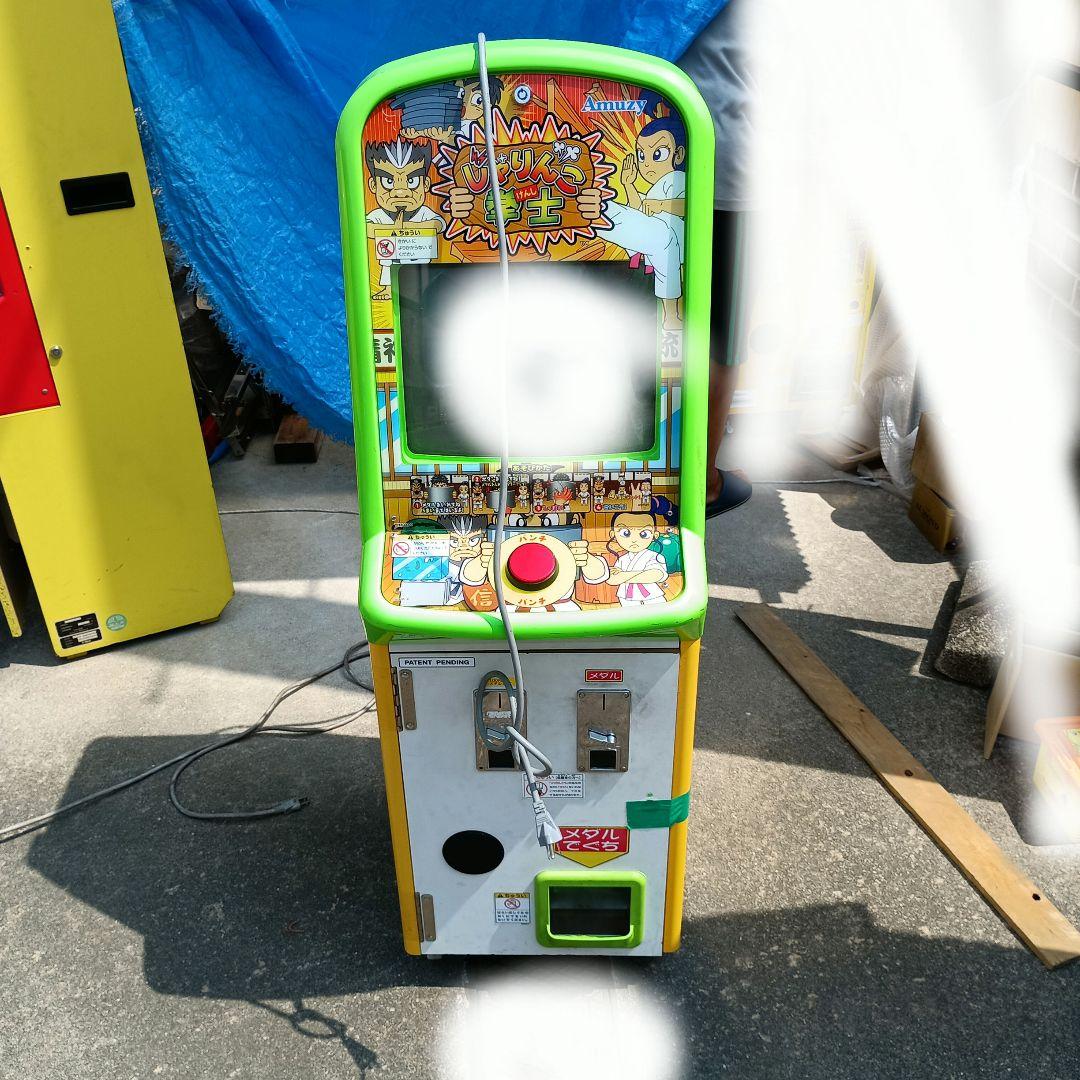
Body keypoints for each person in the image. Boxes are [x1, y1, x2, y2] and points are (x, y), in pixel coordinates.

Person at [679, 0, 754, 516]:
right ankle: (702, 483)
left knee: (651, 315)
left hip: (632, 152)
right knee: (722, 335)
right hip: (728, 164)